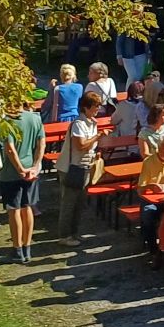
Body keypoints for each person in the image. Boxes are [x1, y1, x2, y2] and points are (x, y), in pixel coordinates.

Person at [0, 93, 45, 267]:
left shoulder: (6, 122)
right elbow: (42, 143)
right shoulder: (35, 118)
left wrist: (20, 169)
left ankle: (17, 249)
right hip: (30, 171)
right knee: (27, 207)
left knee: (14, 209)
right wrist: (35, 166)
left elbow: (10, 149)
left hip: (11, 173)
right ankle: (27, 247)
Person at [53, 88, 104, 242]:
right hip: (71, 169)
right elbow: (80, 145)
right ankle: (64, 236)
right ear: (86, 107)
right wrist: (97, 137)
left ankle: (74, 233)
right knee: (69, 204)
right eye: (96, 106)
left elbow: (88, 148)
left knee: (79, 204)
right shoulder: (78, 124)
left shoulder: (91, 123)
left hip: (84, 168)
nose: (98, 109)